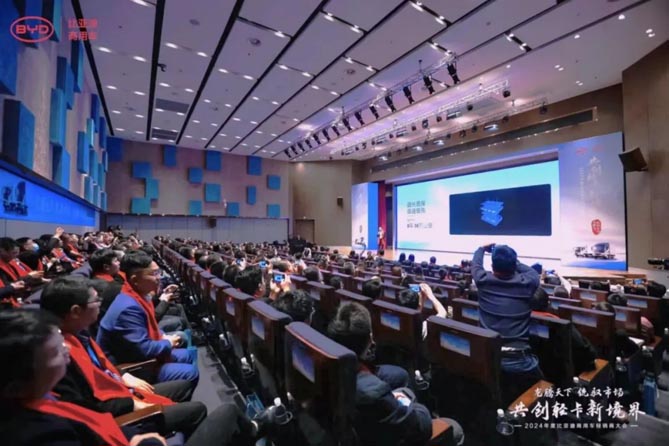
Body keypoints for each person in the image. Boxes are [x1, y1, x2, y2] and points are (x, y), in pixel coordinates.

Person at [0, 309, 281, 446]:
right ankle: (254, 430)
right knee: (229, 412)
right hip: (133, 419)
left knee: (194, 402)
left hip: (127, 418)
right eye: (54, 351)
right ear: (15, 385)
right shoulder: (38, 436)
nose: (65, 349)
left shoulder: (43, 397)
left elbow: (95, 412)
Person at [40, 276, 210, 439]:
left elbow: (102, 366)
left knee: (184, 385)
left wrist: (123, 375)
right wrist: (133, 404)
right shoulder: (61, 356)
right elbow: (89, 406)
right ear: (76, 311)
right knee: (197, 409)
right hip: (117, 415)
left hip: (120, 386)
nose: (100, 303)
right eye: (95, 300)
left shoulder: (78, 334)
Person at [327, 302, 464, 446]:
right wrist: (411, 403)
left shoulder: (331, 363)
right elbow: (421, 426)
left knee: (400, 375)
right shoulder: (375, 393)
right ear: (369, 338)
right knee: (455, 428)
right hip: (396, 428)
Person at [97, 251, 199, 386]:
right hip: (131, 367)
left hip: (138, 353)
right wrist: (168, 343)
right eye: (154, 274)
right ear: (135, 280)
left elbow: (148, 327)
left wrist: (163, 336)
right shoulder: (128, 308)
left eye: (158, 272)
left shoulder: (138, 295)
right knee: (190, 372)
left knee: (187, 354)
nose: (159, 278)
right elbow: (144, 349)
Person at [471, 243, 541, 405]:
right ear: (514, 265)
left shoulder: (483, 280)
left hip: (488, 358)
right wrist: (512, 261)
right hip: (520, 361)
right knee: (545, 391)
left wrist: (481, 249)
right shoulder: (529, 282)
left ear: (492, 266)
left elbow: (476, 264)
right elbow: (531, 272)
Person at [530, 288, 597, 375]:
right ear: (548, 304)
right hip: (558, 375)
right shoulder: (560, 325)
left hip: (534, 372)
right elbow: (589, 352)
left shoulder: (520, 321)